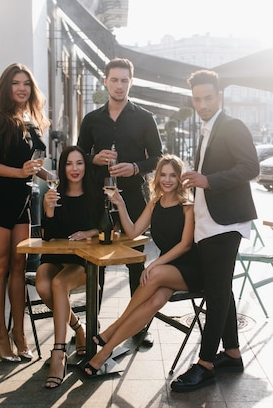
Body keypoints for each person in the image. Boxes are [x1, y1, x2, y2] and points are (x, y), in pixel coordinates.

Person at [171, 70, 260, 392]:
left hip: (227, 222)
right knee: (220, 288)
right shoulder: (207, 130)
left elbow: (251, 167)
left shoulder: (232, 126)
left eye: (208, 98)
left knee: (216, 292)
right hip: (208, 222)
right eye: (197, 99)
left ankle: (206, 363)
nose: (202, 104)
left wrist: (209, 180)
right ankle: (232, 354)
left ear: (219, 97)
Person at [82, 154, 200, 377]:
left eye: (172, 176)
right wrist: (121, 204)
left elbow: (185, 245)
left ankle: (112, 334)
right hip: (168, 269)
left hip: (191, 269)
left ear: (179, 178)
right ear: (157, 177)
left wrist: (155, 263)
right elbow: (134, 231)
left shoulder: (187, 206)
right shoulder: (155, 203)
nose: (167, 180)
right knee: (155, 300)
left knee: (152, 274)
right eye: (163, 175)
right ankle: (107, 349)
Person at [77, 57, 163, 346]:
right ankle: (94, 327)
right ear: (105, 81)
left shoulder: (145, 117)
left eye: (124, 80)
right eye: (114, 79)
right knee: (96, 264)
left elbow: (158, 158)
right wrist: (93, 159)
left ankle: (138, 327)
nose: (119, 85)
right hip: (99, 200)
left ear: (131, 82)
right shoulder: (92, 119)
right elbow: (76, 157)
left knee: (136, 265)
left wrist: (135, 167)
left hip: (134, 200)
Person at [0, 62, 50, 363]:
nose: (21, 88)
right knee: (1, 267)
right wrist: (20, 174)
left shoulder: (31, 121)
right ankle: (0, 335)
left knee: (20, 267)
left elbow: (33, 165)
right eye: (16, 83)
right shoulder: (1, 120)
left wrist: (51, 178)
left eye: (26, 83)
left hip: (22, 200)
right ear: (7, 88)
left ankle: (20, 334)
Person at [34, 146, 104, 388]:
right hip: (55, 257)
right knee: (43, 283)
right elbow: (48, 236)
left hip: (82, 261)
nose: (74, 169)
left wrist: (89, 232)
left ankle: (59, 352)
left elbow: (106, 226)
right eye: (69, 164)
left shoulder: (95, 193)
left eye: (79, 163)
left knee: (58, 283)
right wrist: (49, 210)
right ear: (62, 168)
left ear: (86, 166)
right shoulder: (55, 192)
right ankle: (78, 328)